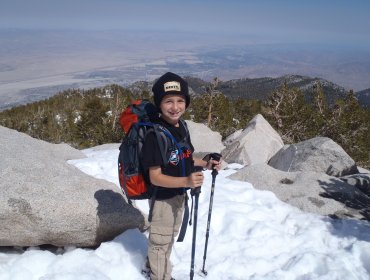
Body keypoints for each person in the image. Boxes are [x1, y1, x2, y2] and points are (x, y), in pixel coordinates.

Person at [140, 72, 222, 280]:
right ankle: (159, 275)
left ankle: (158, 266)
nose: (175, 107)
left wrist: (205, 163)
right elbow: (155, 177)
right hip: (162, 199)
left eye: (180, 100)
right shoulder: (155, 135)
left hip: (178, 195)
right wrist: (186, 181)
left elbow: (185, 157)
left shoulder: (181, 127)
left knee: (168, 237)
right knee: (160, 241)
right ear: (159, 104)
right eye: (168, 101)